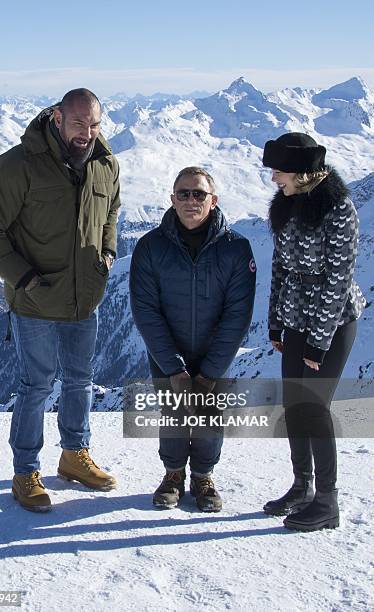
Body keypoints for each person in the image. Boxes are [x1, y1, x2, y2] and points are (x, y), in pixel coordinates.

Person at [0, 88, 120, 512]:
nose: (86, 133)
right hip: (35, 300)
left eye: (93, 125)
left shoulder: (106, 163)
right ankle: (25, 473)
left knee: (80, 382)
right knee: (36, 386)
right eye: (78, 123)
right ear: (56, 117)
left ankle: (74, 455)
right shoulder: (18, 165)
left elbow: (111, 212)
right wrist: (24, 277)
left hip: (84, 298)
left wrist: (107, 253)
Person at [130, 166, 256, 512]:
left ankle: (203, 477)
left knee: (209, 415)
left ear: (213, 201)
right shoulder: (150, 247)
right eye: (183, 193)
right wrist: (174, 367)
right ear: (171, 200)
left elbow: (237, 315)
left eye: (198, 194)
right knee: (173, 413)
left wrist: (210, 372)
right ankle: (173, 474)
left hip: (215, 355)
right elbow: (145, 310)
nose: (190, 200)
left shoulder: (237, 249)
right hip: (167, 352)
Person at [262, 133, 366, 531]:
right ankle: (301, 487)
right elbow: (281, 266)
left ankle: (327, 502)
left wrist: (319, 343)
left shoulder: (339, 209)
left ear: (303, 173)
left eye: (279, 171)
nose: (274, 179)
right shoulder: (289, 203)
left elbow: (337, 281)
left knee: (315, 409)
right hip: (296, 317)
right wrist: (275, 320)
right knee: (294, 406)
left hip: (332, 322)